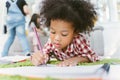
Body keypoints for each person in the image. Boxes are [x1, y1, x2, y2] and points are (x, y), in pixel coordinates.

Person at [31, 0, 100, 67]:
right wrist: (39, 58)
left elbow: (93, 57)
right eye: (53, 32)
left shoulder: (78, 40)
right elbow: (45, 54)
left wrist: (77, 59)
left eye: (64, 34)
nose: (56, 38)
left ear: (75, 32)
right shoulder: (51, 42)